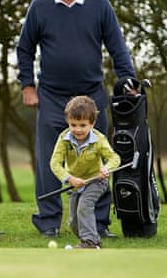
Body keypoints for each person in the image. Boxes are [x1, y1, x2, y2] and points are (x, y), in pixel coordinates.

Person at [17, 0, 136, 238]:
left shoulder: (99, 4)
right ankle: (48, 222)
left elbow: (117, 46)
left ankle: (98, 224)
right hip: (51, 96)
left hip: (91, 95)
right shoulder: (39, 6)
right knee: (49, 159)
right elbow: (25, 48)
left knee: (98, 159)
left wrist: (128, 80)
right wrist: (27, 85)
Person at [49, 96, 121, 249]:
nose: (78, 129)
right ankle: (94, 241)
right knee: (74, 222)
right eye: (73, 125)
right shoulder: (63, 139)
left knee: (84, 206)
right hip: (74, 183)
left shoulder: (99, 139)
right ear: (68, 121)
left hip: (96, 181)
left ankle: (89, 242)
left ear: (92, 123)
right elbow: (55, 163)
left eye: (83, 125)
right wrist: (69, 178)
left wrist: (106, 168)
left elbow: (114, 158)